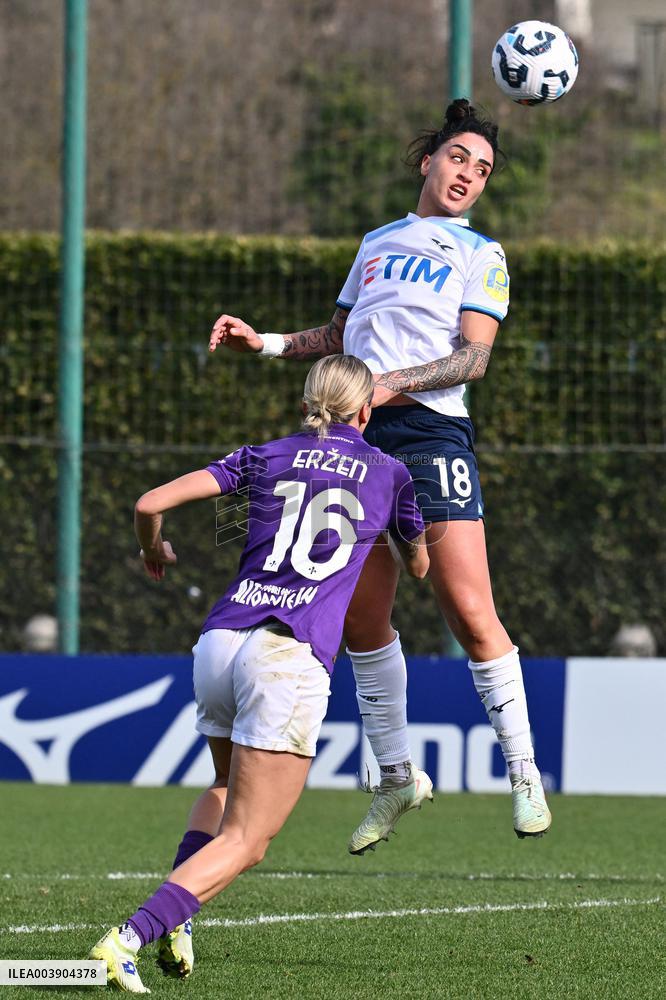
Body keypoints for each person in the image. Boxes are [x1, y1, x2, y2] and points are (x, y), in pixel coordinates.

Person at [208, 98, 551, 854]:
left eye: (483, 169)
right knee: (361, 619)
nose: (469, 174)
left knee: (467, 607)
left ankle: (525, 772)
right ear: (429, 160)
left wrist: (386, 384)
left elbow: (472, 359)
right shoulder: (377, 241)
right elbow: (336, 336)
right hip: (357, 434)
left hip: (428, 432)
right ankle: (395, 777)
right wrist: (262, 343)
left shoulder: (480, 253)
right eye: (459, 157)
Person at [88, 355, 429, 993]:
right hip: (287, 657)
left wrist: (150, 547)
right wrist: (402, 535)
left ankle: (178, 919)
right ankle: (130, 937)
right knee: (248, 840)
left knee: (223, 786)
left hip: (220, 642)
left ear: (308, 402)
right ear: (365, 411)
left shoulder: (265, 454)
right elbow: (417, 570)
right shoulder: (391, 474)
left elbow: (149, 502)